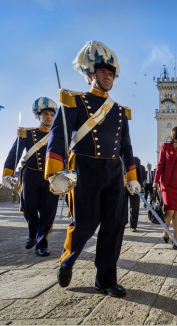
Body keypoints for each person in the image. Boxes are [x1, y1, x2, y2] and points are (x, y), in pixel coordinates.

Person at [45, 41, 140, 298]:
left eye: (111, 74)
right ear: (90, 75)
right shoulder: (74, 102)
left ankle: (106, 279)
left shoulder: (120, 112)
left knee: (115, 224)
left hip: (113, 172)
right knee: (85, 224)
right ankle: (67, 260)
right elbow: (58, 137)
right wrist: (56, 172)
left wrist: (132, 177)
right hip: (85, 168)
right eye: (102, 73)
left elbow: (126, 148)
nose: (108, 77)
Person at [2, 97, 59, 257]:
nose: (49, 117)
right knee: (29, 208)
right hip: (30, 175)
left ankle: (42, 243)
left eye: (52, 115)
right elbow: (14, 154)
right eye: (46, 114)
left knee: (48, 212)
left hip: (50, 177)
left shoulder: (59, 135)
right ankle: (33, 233)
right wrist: (7, 174)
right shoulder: (27, 133)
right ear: (38, 115)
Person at [127, 156, 143, 232]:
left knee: (135, 206)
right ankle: (123, 222)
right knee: (122, 206)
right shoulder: (118, 157)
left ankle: (133, 225)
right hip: (123, 186)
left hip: (135, 185)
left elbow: (139, 172)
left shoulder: (136, 160)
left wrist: (141, 185)